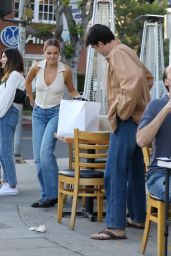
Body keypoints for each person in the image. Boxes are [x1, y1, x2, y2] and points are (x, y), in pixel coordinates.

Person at [85, 24, 153, 240]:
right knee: (134, 172)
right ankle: (138, 217)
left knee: (114, 173)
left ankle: (115, 225)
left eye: (96, 48)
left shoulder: (116, 54)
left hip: (127, 121)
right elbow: (147, 78)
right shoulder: (127, 51)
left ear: (100, 43)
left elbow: (133, 82)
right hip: (138, 120)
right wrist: (139, 104)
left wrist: (121, 110)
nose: (98, 52)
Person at [25, 38, 79, 208]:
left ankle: (54, 194)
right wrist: (31, 99)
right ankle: (46, 195)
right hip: (38, 113)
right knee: (38, 159)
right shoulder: (36, 67)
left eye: (55, 53)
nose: (52, 56)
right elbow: (27, 82)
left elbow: (71, 90)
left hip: (56, 113)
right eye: (49, 53)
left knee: (45, 152)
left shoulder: (66, 71)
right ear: (44, 52)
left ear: (59, 53)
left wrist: (83, 100)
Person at [137, 65, 171, 201]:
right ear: (166, 81)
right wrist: (165, 110)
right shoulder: (156, 105)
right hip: (161, 173)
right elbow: (141, 140)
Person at [0, 48, 25, 195]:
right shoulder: (11, 76)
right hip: (6, 113)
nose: (1, 59)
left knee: (5, 151)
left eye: (3, 57)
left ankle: (12, 185)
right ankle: (7, 182)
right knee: (2, 151)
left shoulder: (15, 75)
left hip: (6, 114)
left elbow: (7, 99)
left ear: (11, 59)